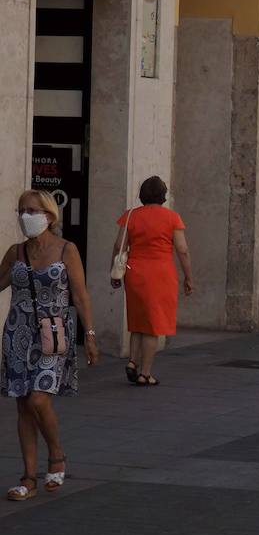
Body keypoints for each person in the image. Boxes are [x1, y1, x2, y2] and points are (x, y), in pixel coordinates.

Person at [4, 190, 99, 501]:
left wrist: (90, 334)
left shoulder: (66, 250)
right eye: (21, 211)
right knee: (22, 403)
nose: (25, 216)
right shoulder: (15, 252)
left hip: (53, 335)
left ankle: (56, 454)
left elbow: (81, 294)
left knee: (38, 399)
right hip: (17, 334)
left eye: (32, 210)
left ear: (48, 214)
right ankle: (29, 477)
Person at [110, 176, 192, 386]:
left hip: (134, 272)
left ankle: (132, 362)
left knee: (138, 321)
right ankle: (145, 373)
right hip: (161, 273)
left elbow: (119, 245)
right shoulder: (172, 218)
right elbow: (182, 250)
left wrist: (115, 272)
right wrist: (188, 277)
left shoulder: (130, 216)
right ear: (163, 195)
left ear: (142, 194)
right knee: (154, 325)